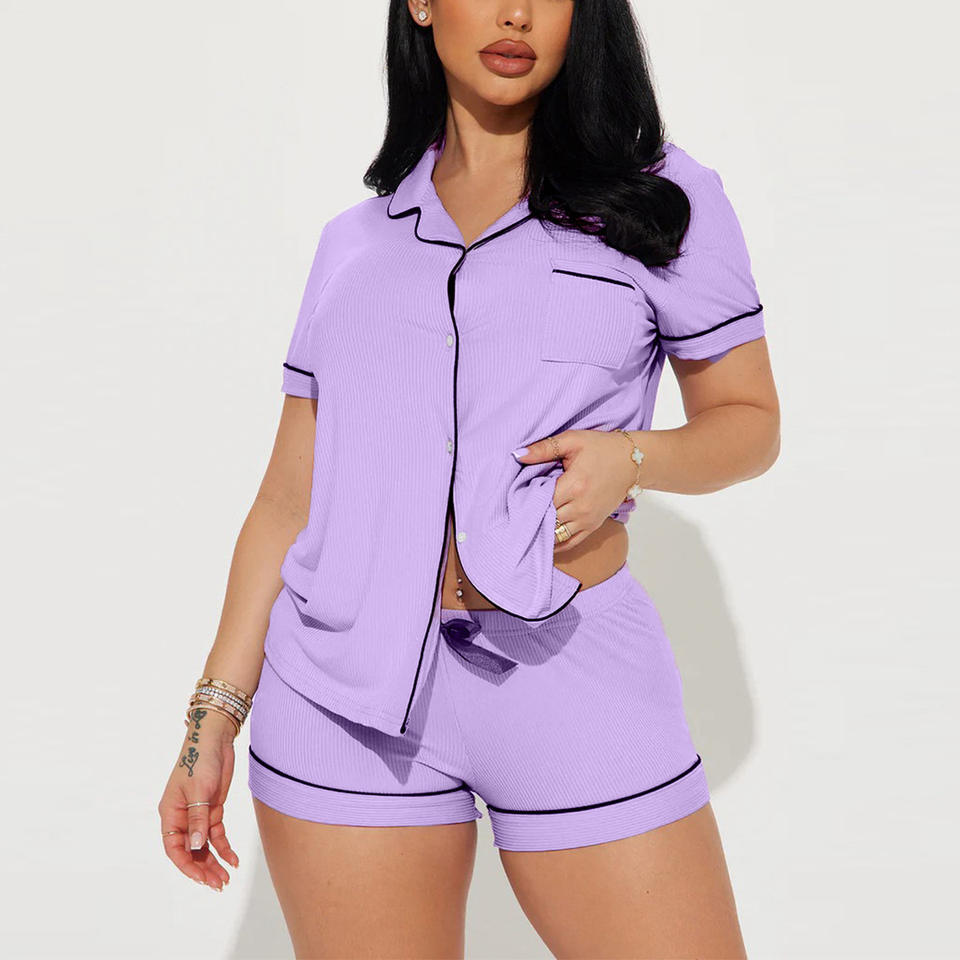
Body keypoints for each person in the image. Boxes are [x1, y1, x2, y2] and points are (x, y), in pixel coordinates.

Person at [157, 1, 780, 956]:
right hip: (341, 701)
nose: (516, 13)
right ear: (420, 2)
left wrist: (634, 455)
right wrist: (211, 721)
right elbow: (288, 499)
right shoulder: (356, 244)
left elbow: (749, 423)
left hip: (570, 669)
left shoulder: (659, 198)